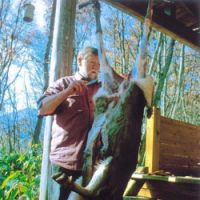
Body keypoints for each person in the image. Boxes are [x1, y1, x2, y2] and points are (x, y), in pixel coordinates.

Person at [38, 46, 101, 200]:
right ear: (80, 60)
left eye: (98, 64)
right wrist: (67, 92)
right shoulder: (63, 83)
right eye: (91, 62)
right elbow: (41, 108)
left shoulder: (102, 89)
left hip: (93, 167)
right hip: (65, 167)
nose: (95, 67)